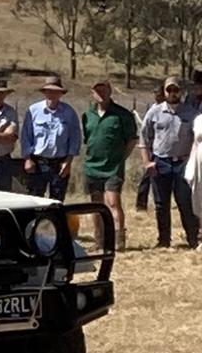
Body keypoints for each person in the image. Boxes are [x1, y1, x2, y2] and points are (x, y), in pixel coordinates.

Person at [140, 76, 199, 249]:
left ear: (182, 92)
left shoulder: (192, 113)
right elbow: (144, 138)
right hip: (160, 163)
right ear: (164, 91)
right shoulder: (154, 112)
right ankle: (164, 241)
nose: (172, 93)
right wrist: (147, 162)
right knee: (161, 204)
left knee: (185, 202)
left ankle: (193, 239)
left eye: (176, 90)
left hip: (183, 163)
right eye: (169, 90)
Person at [83, 82, 138, 252]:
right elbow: (88, 138)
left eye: (104, 90)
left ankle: (119, 241)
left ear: (110, 92)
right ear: (92, 93)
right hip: (92, 166)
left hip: (113, 167)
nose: (101, 94)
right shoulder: (87, 114)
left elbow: (132, 140)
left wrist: (121, 158)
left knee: (113, 203)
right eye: (97, 91)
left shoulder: (122, 115)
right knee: (96, 205)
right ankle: (99, 240)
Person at [21, 76, 81, 201]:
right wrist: (27, 159)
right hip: (37, 162)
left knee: (57, 201)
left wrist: (68, 161)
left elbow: (75, 138)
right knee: (35, 200)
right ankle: (36, 221)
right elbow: (26, 136)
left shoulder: (69, 112)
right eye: (49, 91)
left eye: (55, 91)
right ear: (44, 92)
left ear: (61, 93)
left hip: (60, 163)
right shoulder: (33, 111)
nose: (52, 94)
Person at [135, 83, 166, 211]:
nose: (156, 96)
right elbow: (145, 131)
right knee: (147, 176)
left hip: (163, 149)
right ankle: (141, 203)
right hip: (152, 148)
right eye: (155, 93)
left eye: (158, 93)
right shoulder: (153, 109)